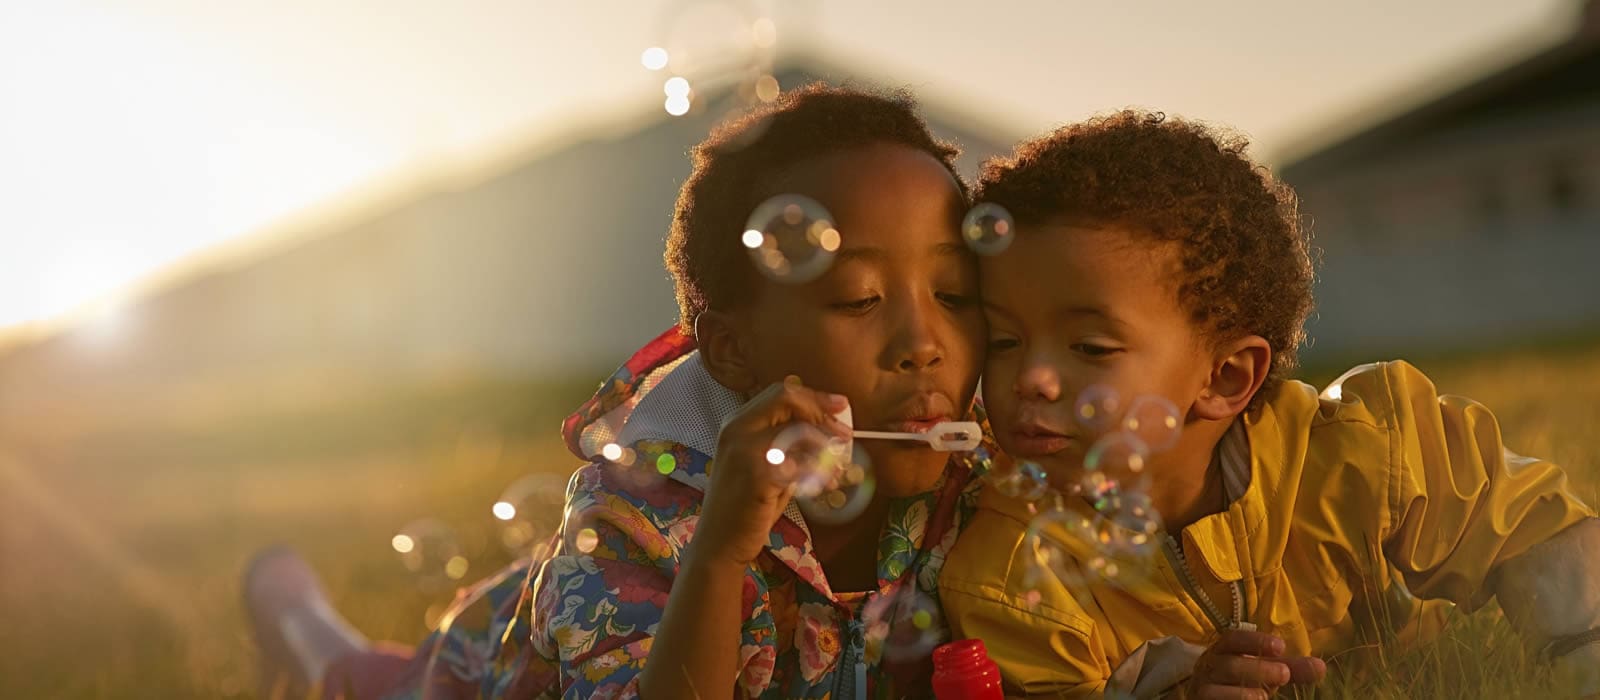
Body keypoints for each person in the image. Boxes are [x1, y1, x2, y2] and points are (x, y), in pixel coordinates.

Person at [246, 82, 996, 699]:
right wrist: (721, 554)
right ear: (734, 351)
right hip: (475, 681)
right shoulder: (628, 527)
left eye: (957, 295)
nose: (924, 345)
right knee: (361, 681)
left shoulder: (980, 496)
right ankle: (290, 608)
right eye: (860, 299)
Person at [937, 110, 1600, 699]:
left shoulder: (1362, 449)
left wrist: (1581, 661)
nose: (1031, 379)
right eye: (1003, 339)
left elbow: (1533, 530)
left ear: (1227, 377)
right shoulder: (1010, 576)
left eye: (1088, 345)